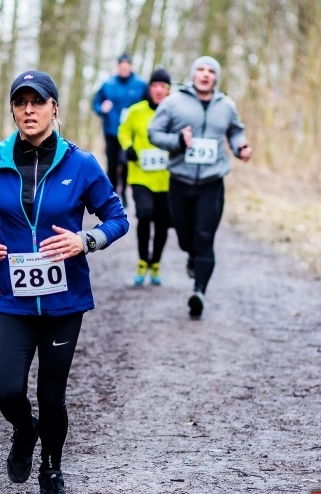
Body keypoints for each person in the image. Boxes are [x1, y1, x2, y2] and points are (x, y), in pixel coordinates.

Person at [0, 70, 129, 494]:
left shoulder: (81, 165)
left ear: (54, 108)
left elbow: (117, 216)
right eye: (20, 103)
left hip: (64, 300)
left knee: (51, 394)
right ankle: (25, 430)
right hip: (12, 297)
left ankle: (52, 469)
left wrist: (86, 240)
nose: (29, 110)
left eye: (37, 102)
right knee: (8, 392)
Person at [148, 56, 252, 318]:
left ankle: (199, 292)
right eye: (201, 70)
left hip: (211, 183)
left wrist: (241, 147)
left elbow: (235, 131)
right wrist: (179, 142)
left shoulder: (226, 105)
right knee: (185, 239)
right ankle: (192, 257)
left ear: (216, 77)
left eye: (211, 71)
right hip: (180, 182)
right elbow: (154, 133)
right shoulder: (174, 103)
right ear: (193, 74)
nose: (205, 75)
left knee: (205, 237)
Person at [117, 67, 172, 286]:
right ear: (149, 89)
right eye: (155, 86)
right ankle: (142, 260)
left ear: (168, 90)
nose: (159, 90)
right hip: (140, 175)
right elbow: (123, 131)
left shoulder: (173, 112)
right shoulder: (136, 111)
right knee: (145, 214)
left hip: (167, 179)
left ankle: (156, 263)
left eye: (163, 86)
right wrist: (128, 146)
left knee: (162, 223)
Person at [92, 52, 148, 206]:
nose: (124, 69)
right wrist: (102, 109)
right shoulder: (108, 84)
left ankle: (123, 193)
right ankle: (111, 194)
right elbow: (96, 103)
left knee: (126, 163)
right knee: (112, 162)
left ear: (130, 66)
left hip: (131, 133)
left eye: (126, 66)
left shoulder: (140, 84)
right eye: (121, 67)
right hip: (111, 130)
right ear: (118, 67)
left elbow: (148, 105)